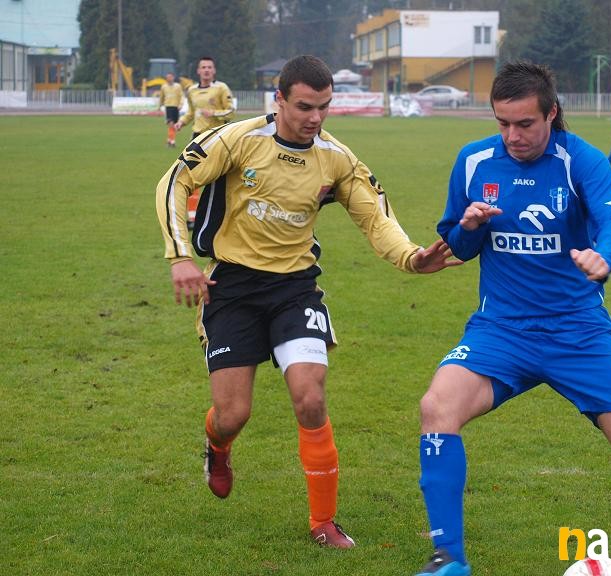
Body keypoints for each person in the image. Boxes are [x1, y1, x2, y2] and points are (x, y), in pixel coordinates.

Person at [413, 61, 611, 576]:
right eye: (503, 123)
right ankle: (449, 559)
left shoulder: (582, 160)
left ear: (551, 113)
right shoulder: (474, 162)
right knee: (436, 407)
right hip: (501, 331)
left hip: (578, 332)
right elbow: (460, 245)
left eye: (525, 124)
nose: (513, 136)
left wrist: (604, 256)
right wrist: (469, 226)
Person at [156, 54, 461, 550]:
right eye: (304, 107)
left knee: (310, 396)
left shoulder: (336, 158)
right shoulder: (238, 139)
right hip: (231, 288)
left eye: (324, 107)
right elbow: (174, 181)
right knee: (233, 414)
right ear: (278, 100)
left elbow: (376, 217)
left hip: (294, 289)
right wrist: (179, 257)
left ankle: (324, 522)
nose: (315, 117)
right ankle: (218, 445)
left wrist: (410, 257)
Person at [174, 56, 235, 228]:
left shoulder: (221, 88)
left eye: (209, 67)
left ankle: (222, 217)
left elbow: (231, 112)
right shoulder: (192, 90)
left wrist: (214, 113)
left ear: (214, 71)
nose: (206, 70)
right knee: (191, 177)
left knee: (219, 179)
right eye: (203, 67)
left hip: (218, 138)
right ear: (198, 71)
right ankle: (192, 218)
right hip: (197, 138)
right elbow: (191, 113)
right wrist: (181, 122)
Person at [158, 72, 184, 147]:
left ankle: (169, 140)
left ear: (173, 77)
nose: (169, 78)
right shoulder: (164, 87)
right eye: (167, 77)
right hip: (168, 107)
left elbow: (181, 96)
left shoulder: (178, 86)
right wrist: (160, 105)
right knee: (171, 124)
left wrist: (181, 104)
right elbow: (162, 96)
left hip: (176, 107)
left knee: (174, 125)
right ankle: (172, 141)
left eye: (170, 77)